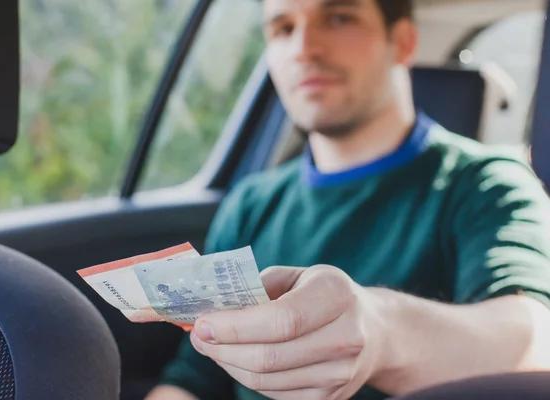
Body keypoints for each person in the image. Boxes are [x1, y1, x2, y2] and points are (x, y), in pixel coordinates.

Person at [146, 0, 550, 399]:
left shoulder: (487, 184)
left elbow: (534, 338)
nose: (304, 49)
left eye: (339, 18)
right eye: (283, 28)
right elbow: (195, 377)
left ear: (403, 42)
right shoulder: (250, 201)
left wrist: (381, 333)